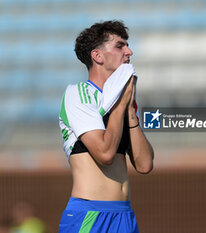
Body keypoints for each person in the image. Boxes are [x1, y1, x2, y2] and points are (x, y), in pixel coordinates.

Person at [58, 20, 154, 233]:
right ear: (97, 56)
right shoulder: (78, 94)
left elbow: (145, 164)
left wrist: (130, 111)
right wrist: (121, 106)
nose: (129, 52)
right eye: (120, 46)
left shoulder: (124, 99)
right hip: (91, 215)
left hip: (125, 215)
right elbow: (105, 153)